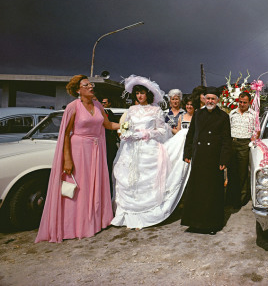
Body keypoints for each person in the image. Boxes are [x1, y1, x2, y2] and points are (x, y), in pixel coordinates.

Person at [36, 75, 119, 243]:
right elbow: (66, 134)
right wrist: (67, 159)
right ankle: (76, 226)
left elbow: (108, 125)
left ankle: (95, 222)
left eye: (91, 84)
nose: (90, 87)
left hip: (96, 150)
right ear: (77, 90)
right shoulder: (73, 107)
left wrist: (128, 124)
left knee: (93, 185)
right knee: (79, 187)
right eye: (86, 85)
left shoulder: (97, 105)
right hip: (78, 150)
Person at [111, 75, 174, 229]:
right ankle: (128, 214)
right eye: (137, 93)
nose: (139, 96)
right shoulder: (131, 110)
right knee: (130, 179)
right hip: (131, 147)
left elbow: (161, 130)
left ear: (148, 94)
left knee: (147, 180)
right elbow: (126, 125)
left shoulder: (156, 110)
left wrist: (145, 133)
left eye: (142, 93)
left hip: (148, 148)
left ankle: (148, 214)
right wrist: (126, 133)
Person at [181, 87, 231, 235]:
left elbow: (226, 141)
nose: (210, 101)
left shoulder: (223, 116)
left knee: (212, 192)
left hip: (214, 159)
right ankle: (194, 223)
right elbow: (191, 135)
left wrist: (224, 159)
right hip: (199, 157)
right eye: (208, 98)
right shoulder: (198, 114)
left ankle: (211, 225)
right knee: (197, 190)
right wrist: (187, 153)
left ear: (217, 100)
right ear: (204, 99)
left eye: (213, 99)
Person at [227, 91, 256, 209]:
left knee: (243, 172)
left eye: (244, 102)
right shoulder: (232, 113)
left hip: (245, 143)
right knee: (231, 171)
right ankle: (230, 198)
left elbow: (256, 131)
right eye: (240, 102)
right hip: (233, 142)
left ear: (249, 103)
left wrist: (252, 141)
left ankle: (242, 198)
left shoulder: (253, 115)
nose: (242, 104)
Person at [100, 96, 120, 196]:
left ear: (109, 104)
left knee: (108, 170)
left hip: (109, 145)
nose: (103, 104)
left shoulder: (109, 113)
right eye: (101, 102)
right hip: (98, 144)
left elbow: (113, 126)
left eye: (105, 103)